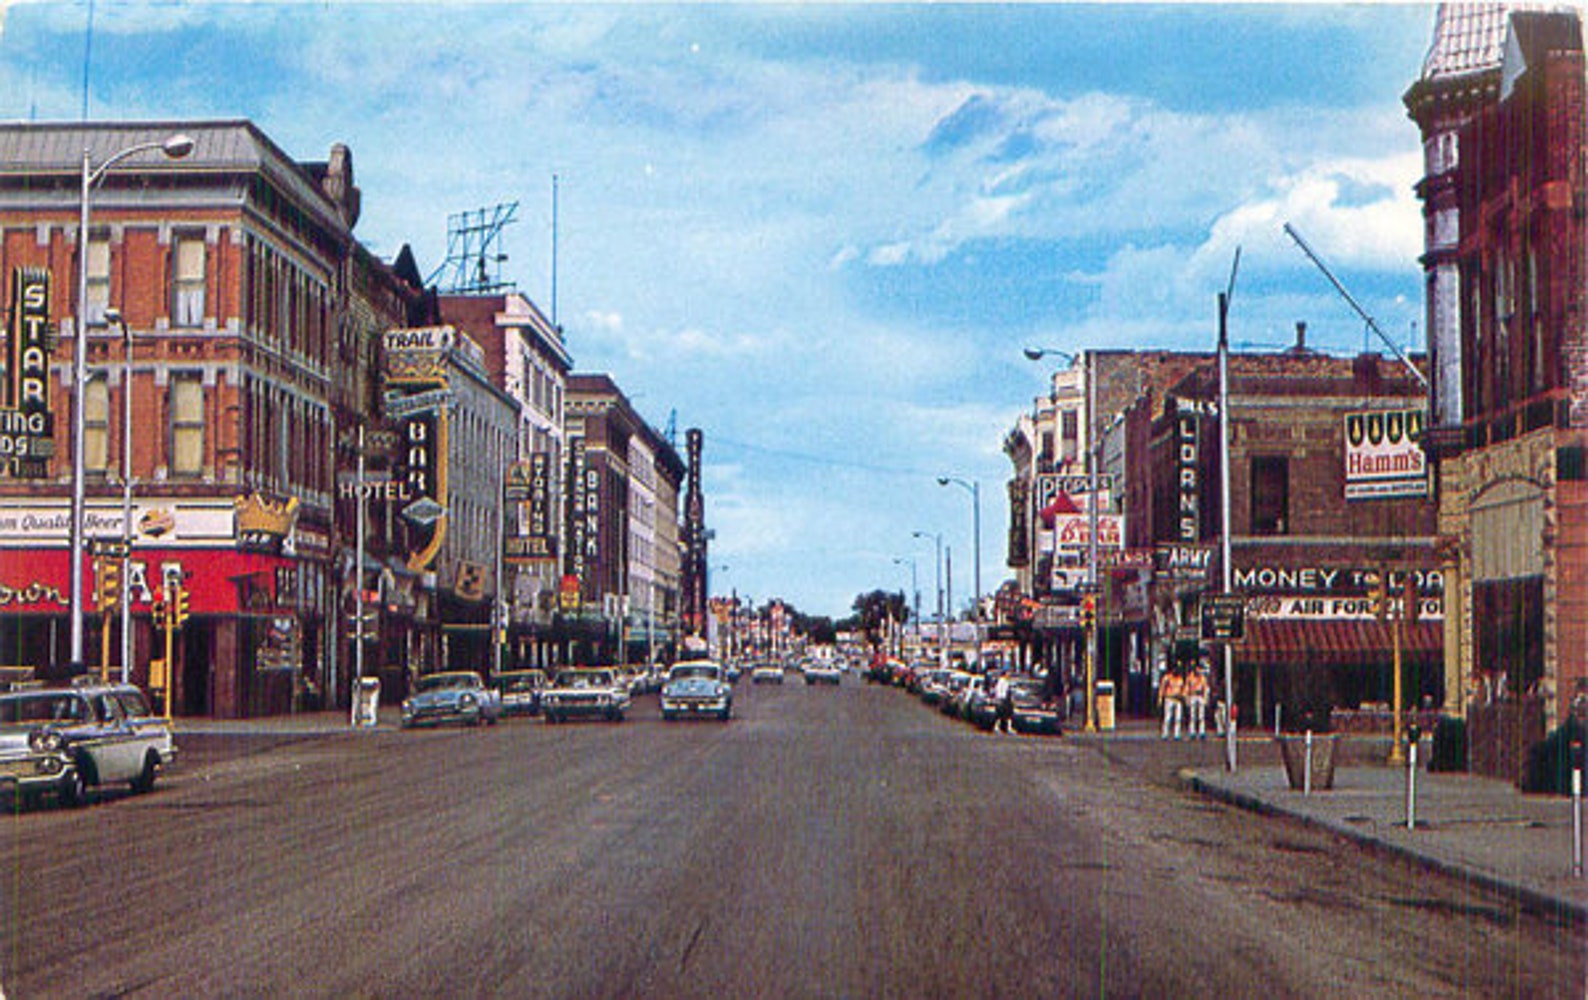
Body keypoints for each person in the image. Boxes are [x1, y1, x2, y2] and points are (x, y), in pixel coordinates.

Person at [1158, 668, 1185, 740]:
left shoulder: (1180, 679)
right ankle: (1165, 734)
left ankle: (1177, 734)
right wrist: (1160, 698)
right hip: (1169, 698)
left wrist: (1183, 696)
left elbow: (1183, 688)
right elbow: (1162, 688)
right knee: (1167, 717)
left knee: (1178, 718)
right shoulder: (1167, 678)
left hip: (1178, 699)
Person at [1185, 666, 1210, 740]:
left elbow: (1205, 688)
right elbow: (1187, 687)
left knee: (1201, 716)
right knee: (1192, 715)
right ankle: (1192, 732)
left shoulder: (1203, 678)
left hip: (1200, 696)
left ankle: (1202, 732)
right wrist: (1187, 697)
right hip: (1193, 695)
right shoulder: (1190, 677)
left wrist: (1206, 698)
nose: (1198, 671)